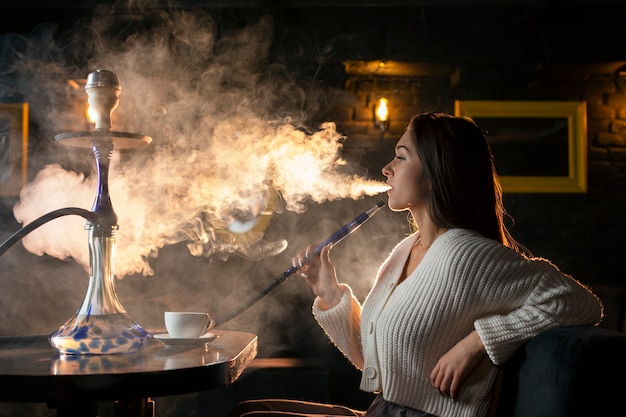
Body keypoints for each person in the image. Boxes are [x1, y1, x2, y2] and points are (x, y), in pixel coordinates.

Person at [228, 112, 604, 417]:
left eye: (401, 156)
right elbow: (372, 363)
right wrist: (328, 290)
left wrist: (480, 342)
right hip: (383, 410)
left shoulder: (467, 253)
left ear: (436, 173)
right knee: (250, 411)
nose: (387, 169)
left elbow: (580, 303)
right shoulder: (407, 248)